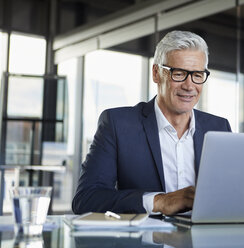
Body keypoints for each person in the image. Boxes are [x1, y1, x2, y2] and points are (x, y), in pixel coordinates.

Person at [72, 30, 231, 215]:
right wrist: (160, 201)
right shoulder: (118, 125)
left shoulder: (219, 128)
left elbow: (233, 194)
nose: (189, 86)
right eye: (179, 74)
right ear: (156, 73)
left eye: (197, 75)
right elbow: (86, 199)